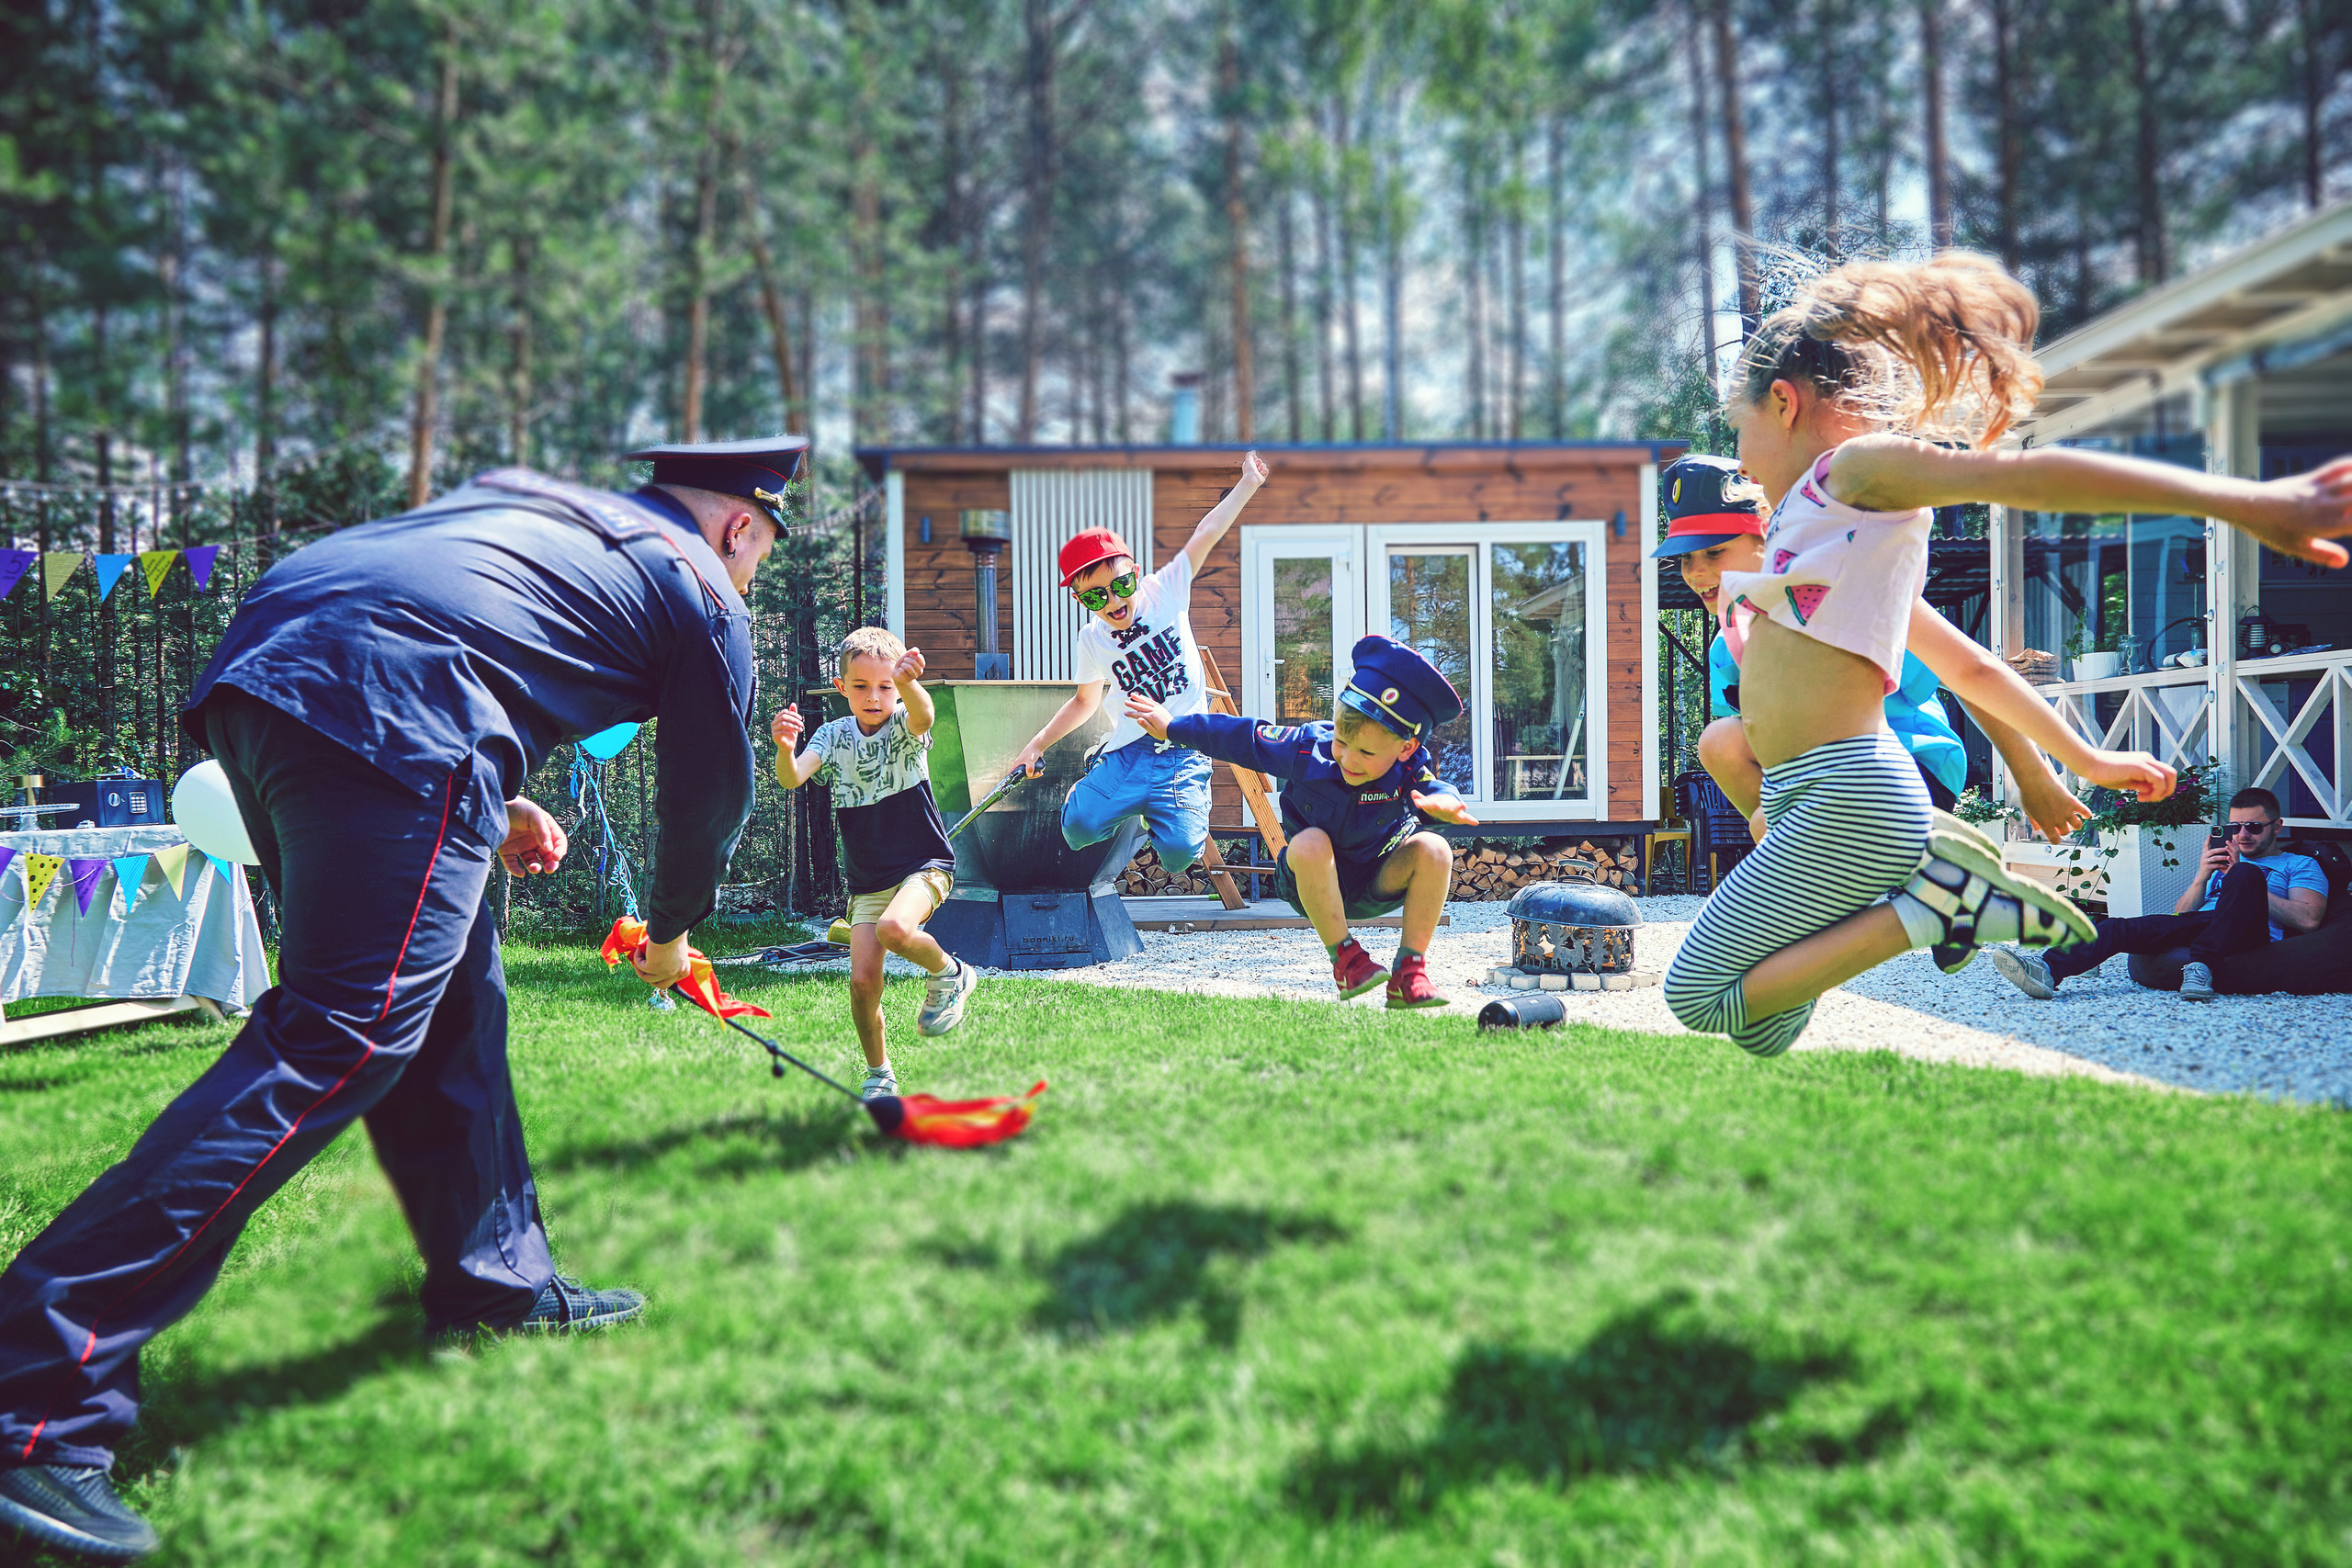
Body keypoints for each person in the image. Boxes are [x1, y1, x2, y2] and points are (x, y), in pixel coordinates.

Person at [0, 437, 797, 1562]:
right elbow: (710, 799)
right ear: (739, 528)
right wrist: (671, 936)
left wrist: (496, 792)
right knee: (345, 1031)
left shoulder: (536, 503)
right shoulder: (699, 581)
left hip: (268, 671)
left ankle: (497, 1284)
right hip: (400, 706)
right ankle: (29, 1398)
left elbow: (454, 616)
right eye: (759, 554)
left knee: (452, 1000)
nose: (750, 576)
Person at [1662, 250, 2352, 1059]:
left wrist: (2241, 498)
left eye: (1738, 433)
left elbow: (2030, 478)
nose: (1739, 463)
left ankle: (1936, 904)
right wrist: (2072, 758)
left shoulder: (1848, 475)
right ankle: (1933, 889)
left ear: (1783, 402)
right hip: (1819, 795)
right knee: (1758, 1026)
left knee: (1692, 995)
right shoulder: (1822, 545)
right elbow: (1973, 669)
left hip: (1846, 791)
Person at [1660, 454, 2094, 847]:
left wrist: (2031, 775)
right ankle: (1815, 865)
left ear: (1768, 536)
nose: (1695, 573)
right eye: (1684, 559)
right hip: (1826, 782)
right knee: (1723, 748)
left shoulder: (1841, 596)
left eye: (1714, 552)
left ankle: (1929, 870)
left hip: (1909, 772)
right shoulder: (1729, 644)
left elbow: (1968, 677)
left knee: (1765, 819)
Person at [1128, 634, 1474, 1009]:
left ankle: (1410, 974)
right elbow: (1239, 737)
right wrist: (1172, 727)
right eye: (1342, 741)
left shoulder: (1409, 768)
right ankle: (1347, 960)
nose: (1349, 759)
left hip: (1375, 881)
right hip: (1306, 880)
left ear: (1405, 748)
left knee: (1434, 848)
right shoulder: (1307, 748)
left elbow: (1435, 789)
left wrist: (1443, 804)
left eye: (1366, 752)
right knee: (1311, 842)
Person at [1008, 450, 1271, 880]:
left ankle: (1156, 813)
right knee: (1076, 829)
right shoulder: (1092, 639)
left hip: (1184, 749)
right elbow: (1083, 702)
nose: (1113, 602)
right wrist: (1036, 745)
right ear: (1079, 599)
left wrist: (1248, 483)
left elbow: (1206, 532)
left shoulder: (1164, 591)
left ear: (1136, 573)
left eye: (1121, 585)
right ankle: (1106, 790)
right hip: (1128, 751)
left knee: (1180, 855)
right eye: (1095, 597)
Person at [771, 627, 972, 1099]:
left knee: (894, 930)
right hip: (868, 881)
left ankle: (951, 973)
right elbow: (793, 777)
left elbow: (925, 716)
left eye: (885, 686)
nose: (874, 697)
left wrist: (911, 686)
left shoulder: (904, 724)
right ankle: (880, 1075)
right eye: (860, 686)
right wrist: (784, 748)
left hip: (924, 864)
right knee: (862, 984)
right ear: (842, 688)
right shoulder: (833, 736)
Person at [1988, 788, 2330, 1001]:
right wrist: (2202, 876)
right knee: (2119, 928)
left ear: (2277, 826)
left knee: (2246, 874)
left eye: (2253, 827)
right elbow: (2182, 915)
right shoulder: (2220, 863)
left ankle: (2202, 966)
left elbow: (2308, 920)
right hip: (2204, 925)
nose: (2242, 835)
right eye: (2234, 827)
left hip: (2249, 934)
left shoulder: (2297, 864)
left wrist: (2243, 882)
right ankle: (2047, 969)